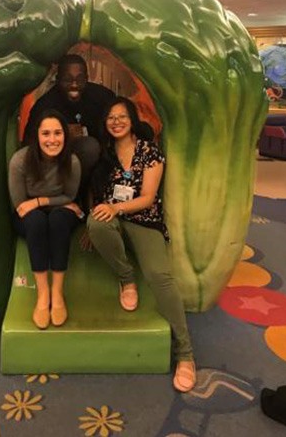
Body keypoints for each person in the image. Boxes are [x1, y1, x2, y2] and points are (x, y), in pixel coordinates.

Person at [86, 97, 196, 392]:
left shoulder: (149, 151)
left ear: (132, 120)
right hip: (113, 217)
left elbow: (148, 197)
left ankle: (185, 353)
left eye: (122, 116)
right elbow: (97, 193)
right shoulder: (104, 152)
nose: (116, 122)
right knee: (95, 223)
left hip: (143, 219)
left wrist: (116, 209)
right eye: (111, 117)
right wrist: (97, 218)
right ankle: (126, 278)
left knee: (160, 276)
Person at [8, 110, 84, 330]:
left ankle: (57, 293)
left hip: (58, 209)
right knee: (37, 221)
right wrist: (42, 204)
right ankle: (43, 294)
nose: (52, 140)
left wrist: (40, 201)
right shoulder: (20, 161)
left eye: (58, 133)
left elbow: (69, 197)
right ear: (37, 136)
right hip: (30, 216)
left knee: (59, 220)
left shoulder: (72, 161)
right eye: (46, 134)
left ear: (65, 136)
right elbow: (21, 206)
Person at [24, 54, 116, 207]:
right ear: (58, 79)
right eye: (68, 80)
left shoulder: (101, 96)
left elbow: (122, 117)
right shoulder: (45, 104)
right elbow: (28, 142)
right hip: (54, 165)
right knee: (89, 147)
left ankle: (84, 197)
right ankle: (66, 197)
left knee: (92, 148)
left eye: (79, 79)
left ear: (87, 78)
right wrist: (61, 134)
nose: (74, 85)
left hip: (93, 164)